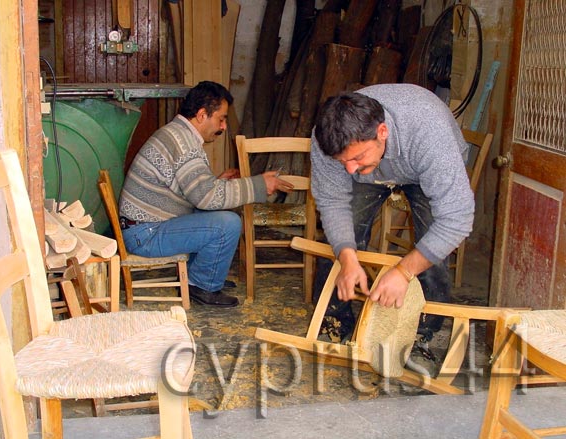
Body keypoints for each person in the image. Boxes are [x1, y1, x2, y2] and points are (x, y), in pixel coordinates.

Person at [310, 83, 474, 346]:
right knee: (340, 242)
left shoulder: (429, 133)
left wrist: (403, 271)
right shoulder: (326, 138)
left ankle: (422, 333)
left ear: (382, 132)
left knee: (434, 246)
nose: (350, 170)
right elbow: (332, 201)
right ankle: (335, 320)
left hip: (421, 166)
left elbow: (456, 219)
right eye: (343, 162)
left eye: (357, 157)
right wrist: (348, 256)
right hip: (378, 167)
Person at [119, 80, 293, 307]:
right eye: (220, 119)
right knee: (227, 223)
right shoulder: (184, 144)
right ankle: (202, 286)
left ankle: (202, 276)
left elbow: (195, 191)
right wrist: (259, 185)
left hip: (145, 226)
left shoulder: (178, 135)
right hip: (145, 234)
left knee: (216, 215)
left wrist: (216, 182)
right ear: (202, 115)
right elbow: (206, 197)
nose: (222, 127)